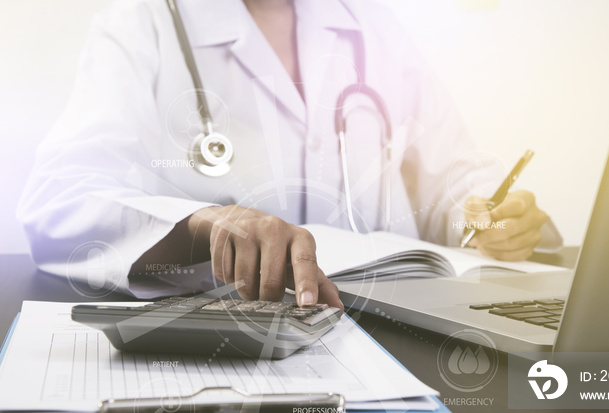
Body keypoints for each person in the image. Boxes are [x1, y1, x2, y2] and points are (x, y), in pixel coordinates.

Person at [18, 0, 561, 307]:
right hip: (229, 330)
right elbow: (61, 197)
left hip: (388, 319)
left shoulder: (371, 25)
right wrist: (200, 224)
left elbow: (453, 175)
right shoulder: (146, 21)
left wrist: (488, 212)